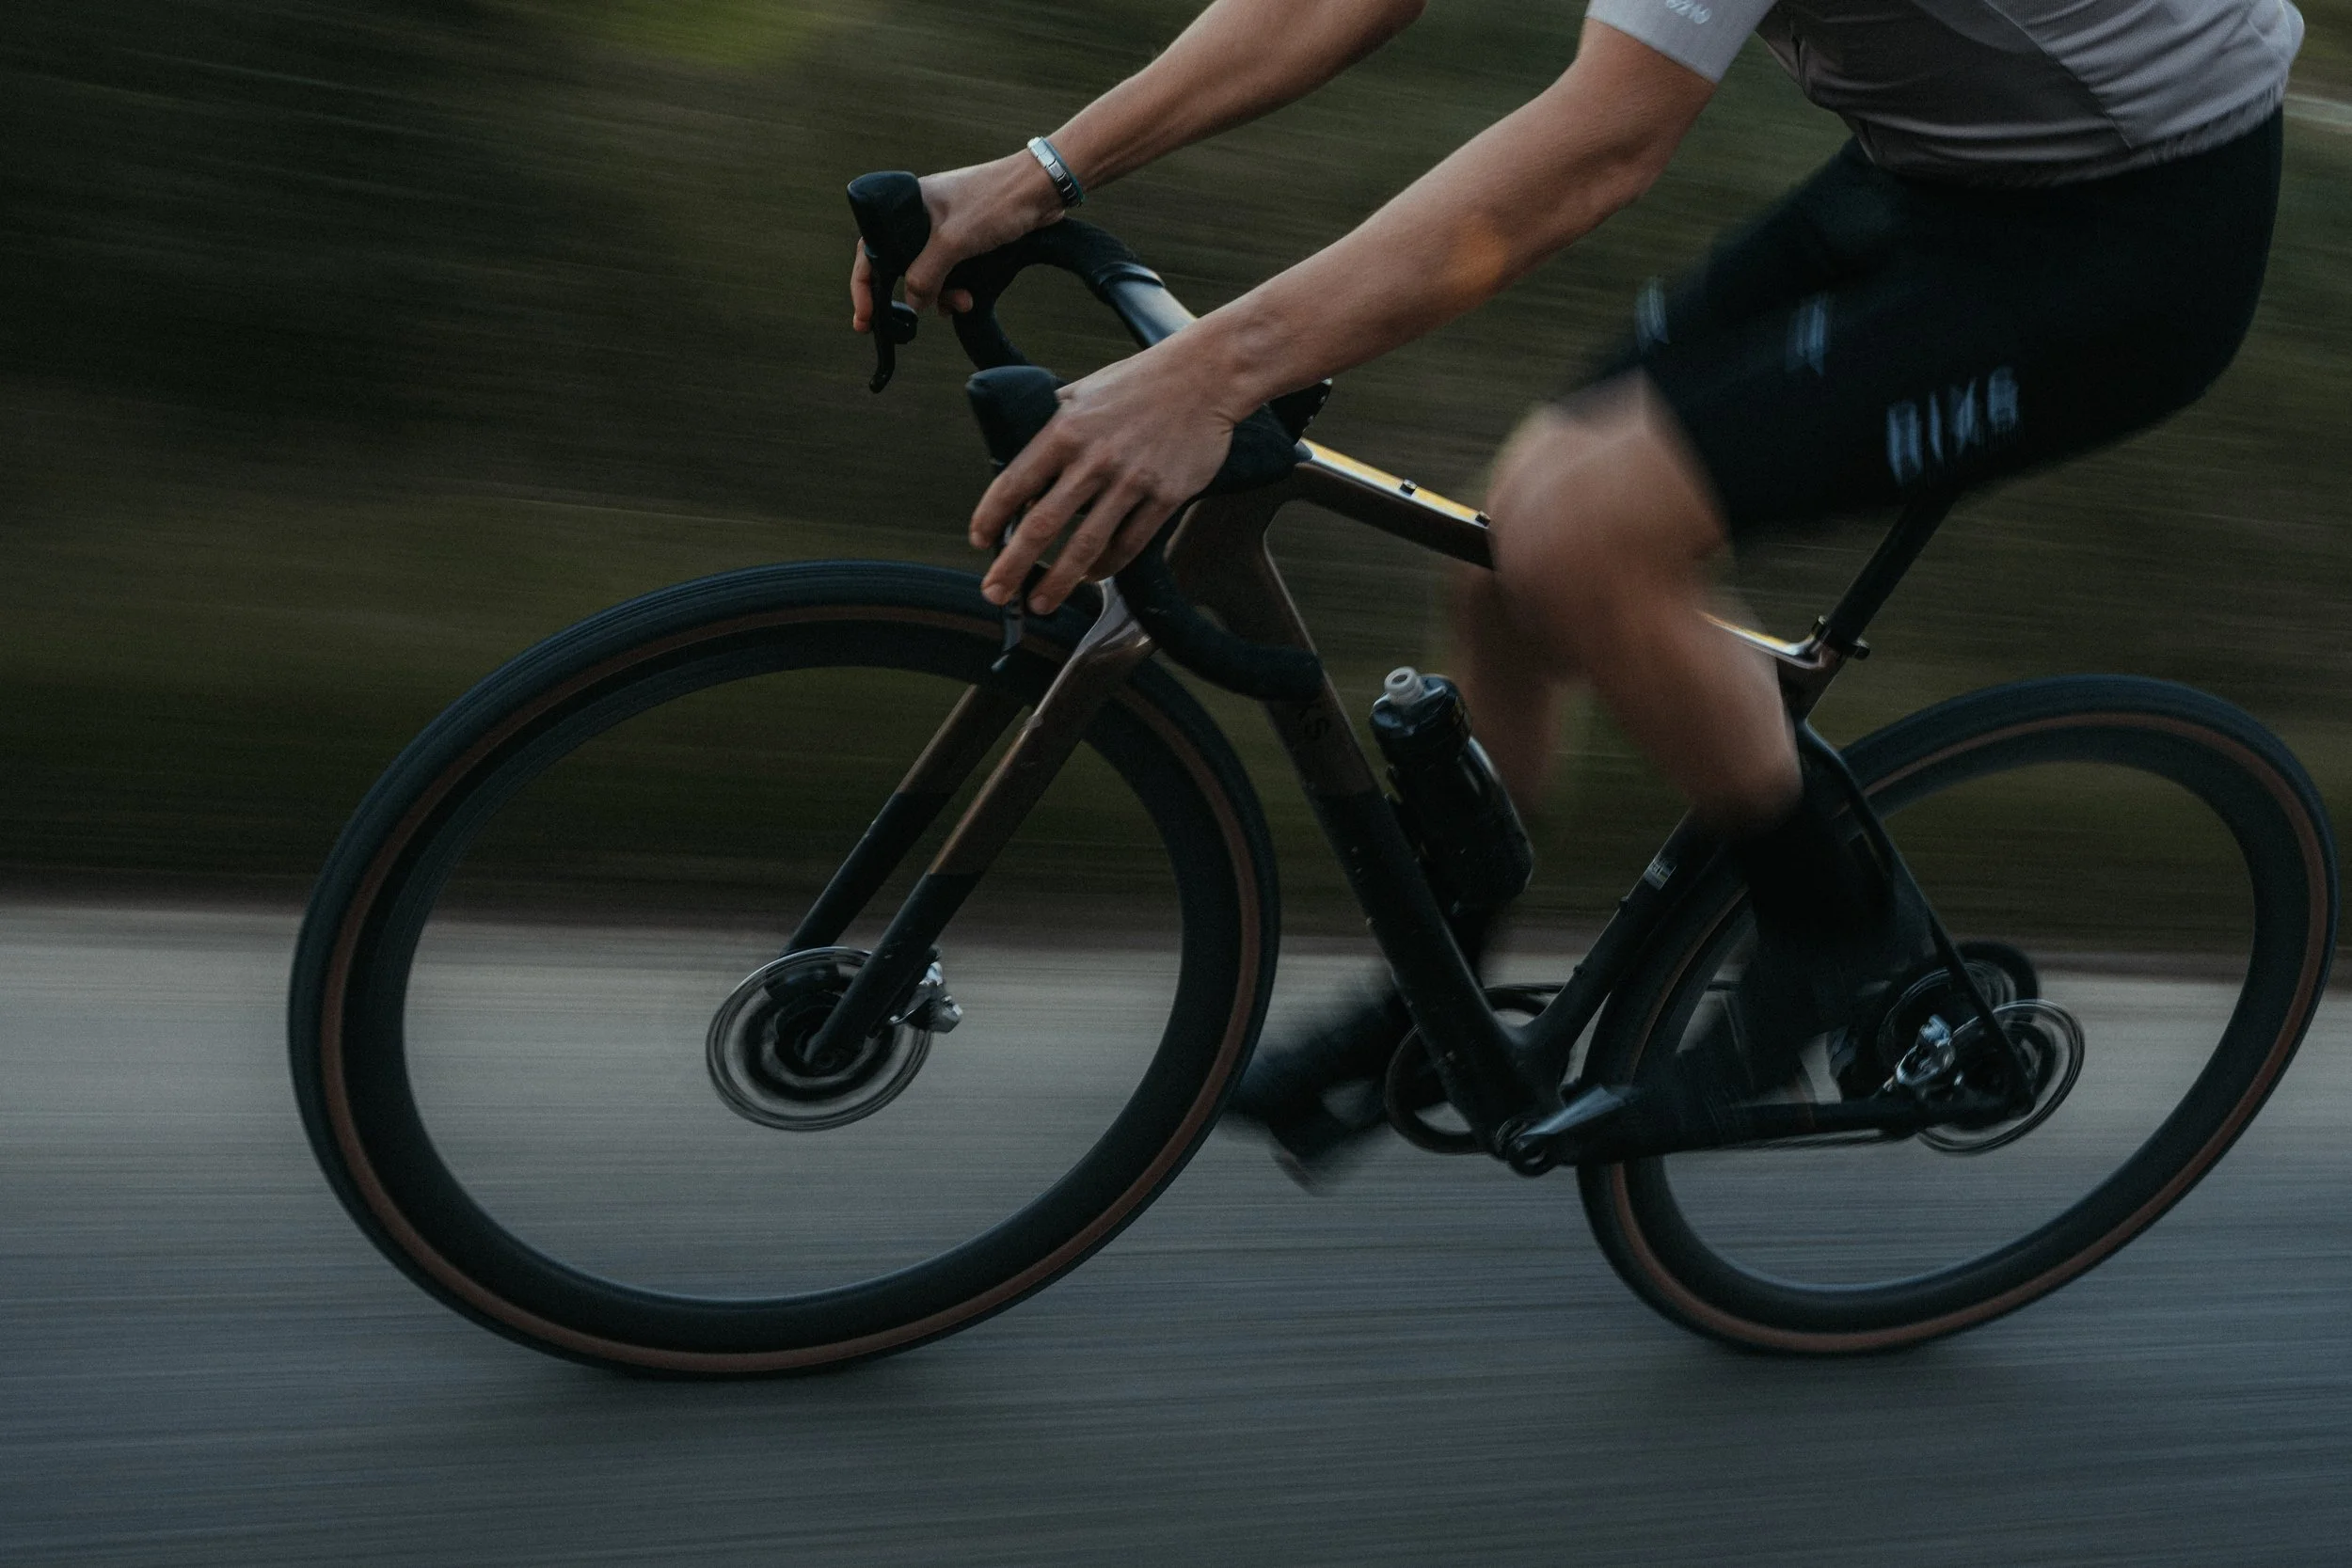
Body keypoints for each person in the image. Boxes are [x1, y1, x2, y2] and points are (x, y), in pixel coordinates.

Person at [850, 0, 2301, 1178]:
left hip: (2136, 243)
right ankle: (1445, 988)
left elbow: (1596, 151)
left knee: (1580, 529)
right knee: (1509, 560)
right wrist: (1039, 172)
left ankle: (1833, 931)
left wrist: (1209, 371)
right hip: (1933, 174)